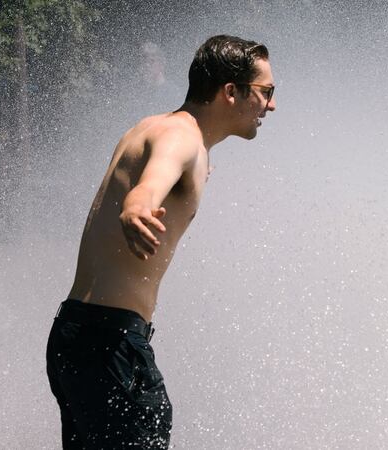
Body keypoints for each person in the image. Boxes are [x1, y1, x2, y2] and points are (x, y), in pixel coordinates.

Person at [46, 35, 276, 449]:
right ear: (230, 92)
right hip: (112, 345)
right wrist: (138, 206)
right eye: (265, 92)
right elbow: (147, 188)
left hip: (75, 335)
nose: (271, 105)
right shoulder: (181, 139)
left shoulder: (152, 127)